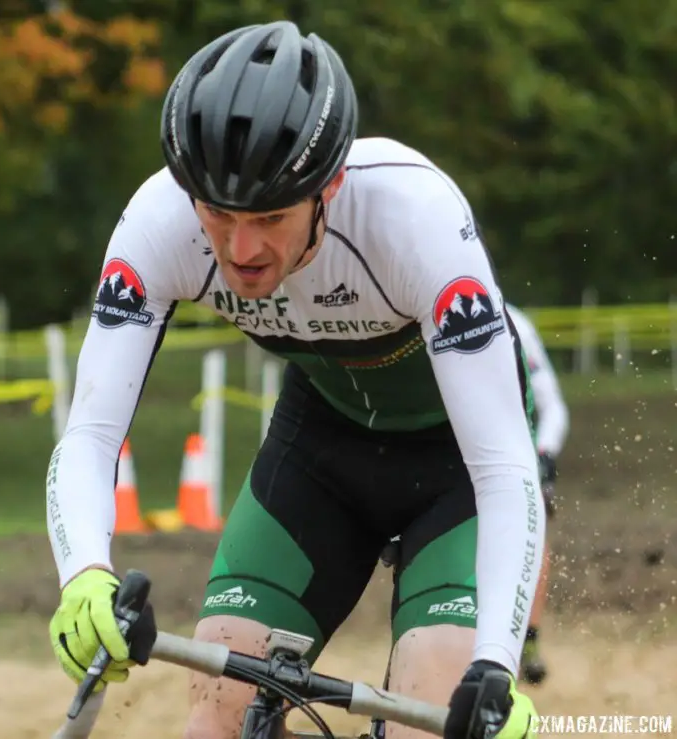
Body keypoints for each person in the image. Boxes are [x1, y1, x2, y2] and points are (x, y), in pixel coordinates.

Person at [46, 21, 545, 739]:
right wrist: (85, 574)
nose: (240, 248)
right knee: (215, 716)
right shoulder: (159, 223)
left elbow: (502, 467)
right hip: (321, 451)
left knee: (432, 714)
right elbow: (91, 433)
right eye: (217, 212)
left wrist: (496, 663)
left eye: (270, 217)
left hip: (457, 473)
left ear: (330, 186)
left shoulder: (415, 220)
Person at [505, 303, 570, 685]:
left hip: (520, 454)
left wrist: (544, 455)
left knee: (537, 532)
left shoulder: (517, 324)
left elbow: (553, 406)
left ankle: (529, 638)